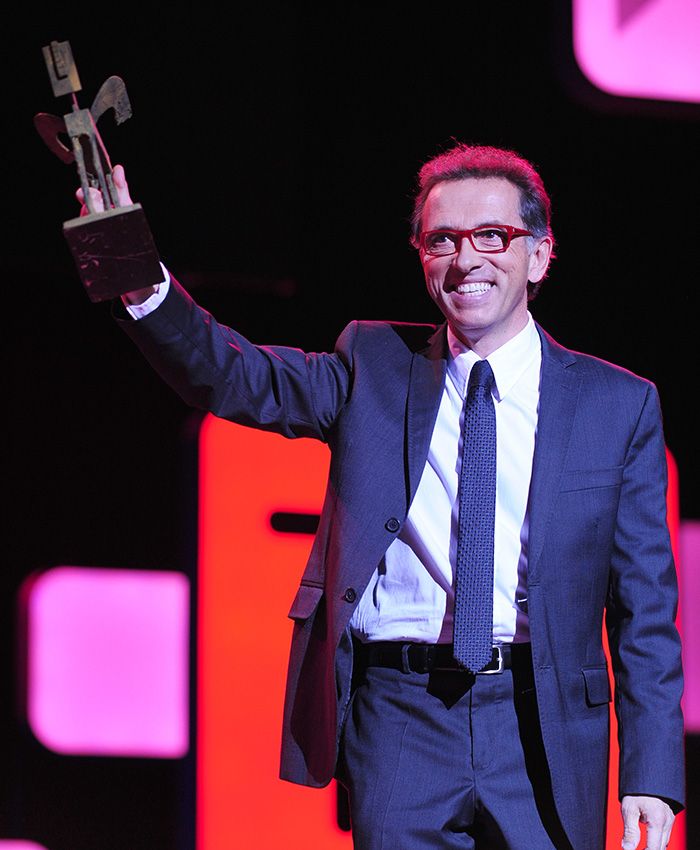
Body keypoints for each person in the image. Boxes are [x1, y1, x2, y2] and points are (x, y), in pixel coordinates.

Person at [77, 143, 684, 850]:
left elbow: (645, 611)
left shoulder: (617, 404)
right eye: (442, 240)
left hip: (543, 720)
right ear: (421, 255)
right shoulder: (372, 365)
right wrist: (131, 270)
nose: (467, 259)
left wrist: (651, 771)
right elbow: (234, 376)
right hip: (402, 716)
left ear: (540, 255)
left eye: (492, 236)